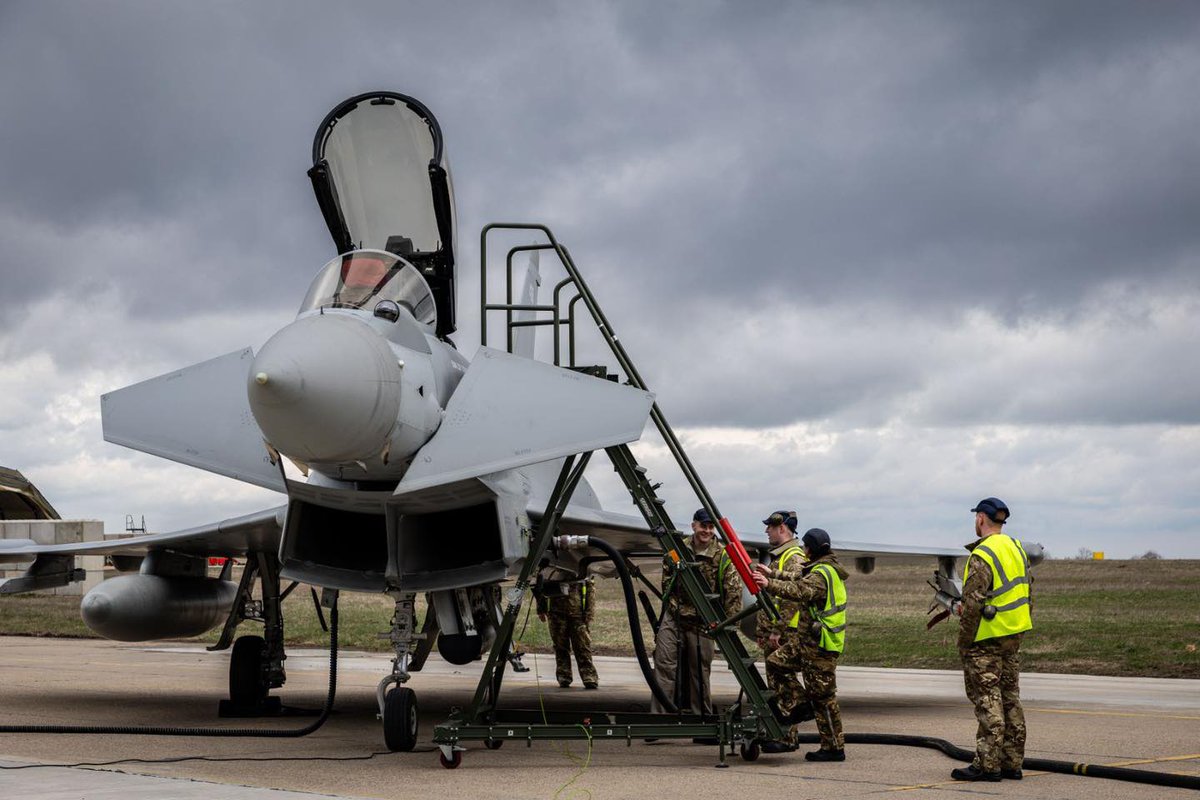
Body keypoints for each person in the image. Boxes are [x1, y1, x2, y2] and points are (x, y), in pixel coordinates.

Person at [951, 497, 1032, 782]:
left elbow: (972, 604)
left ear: (981, 519)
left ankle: (987, 765)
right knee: (1011, 699)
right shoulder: (1017, 548)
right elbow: (1026, 593)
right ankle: (1012, 762)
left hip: (986, 639)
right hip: (1013, 635)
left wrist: (964, 642)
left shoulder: (982, 554)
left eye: (976, 517)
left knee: (988, 700)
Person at [754, 527, 848, 762]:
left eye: (805, 546)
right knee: (776, 662)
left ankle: (834, 748)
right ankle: (800, 703)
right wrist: (772, 574)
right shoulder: (818, 569)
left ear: (810, 549)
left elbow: (799, 590)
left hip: (821, 647)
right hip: (806, 644)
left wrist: (768, 584)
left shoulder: (822, 574)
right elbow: (797, 577)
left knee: (823, 698)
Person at [650, 508, 743, 730]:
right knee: (664, 665)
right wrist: (675, 610)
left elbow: (733, 594)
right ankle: (658, 721)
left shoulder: (723, 556)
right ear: (694, 526)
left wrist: (729, 628)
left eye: (711, 527)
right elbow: (667, 584)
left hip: (705, 622)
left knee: (699, 673)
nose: (707, 531)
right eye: (703, 526)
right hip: (675, 616)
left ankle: (702, 722)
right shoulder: (676, 550)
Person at [750, 510, 807, 752]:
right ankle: (786, 736)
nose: (766, 532)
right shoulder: (781, 556)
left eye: (770, 528)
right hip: (777, 631)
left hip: (784, 633)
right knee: (778, 687)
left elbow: (791, 598)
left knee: (784, 683)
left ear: (782, 528)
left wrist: (776, 630)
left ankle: (796, 721)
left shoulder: (793, 557)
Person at [535, 567, 598, 689]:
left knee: (582, 646)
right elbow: (540, 587)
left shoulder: (579, 568)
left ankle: (589, 676)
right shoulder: (551, 570)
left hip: (577, 614)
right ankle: (564, 676)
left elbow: (590, 590)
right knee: (560, 646)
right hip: (556, 613)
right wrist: (541, 608)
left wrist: (589, 613)